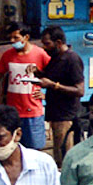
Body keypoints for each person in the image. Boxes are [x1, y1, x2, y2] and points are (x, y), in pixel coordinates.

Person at [36, 26, 86, 163]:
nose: (44, 48)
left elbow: (79, 91)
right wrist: (38, 74)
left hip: (66, 116)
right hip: (56, 114)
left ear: (58, 43)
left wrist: (53, 86)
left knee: (65, 156)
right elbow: (51, 77)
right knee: (58, 152)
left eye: (47, 44)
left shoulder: (72, 59)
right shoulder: (56, 58)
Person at [0, 22, 50, 149]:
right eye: (11, 38)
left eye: (16, 38)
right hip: (13, 110)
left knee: (35, 148)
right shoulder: (7, 55)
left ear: (26, 37)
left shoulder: (40, 54)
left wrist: (46, 94)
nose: (12, 41)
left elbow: (53, 74)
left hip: (33, 110)